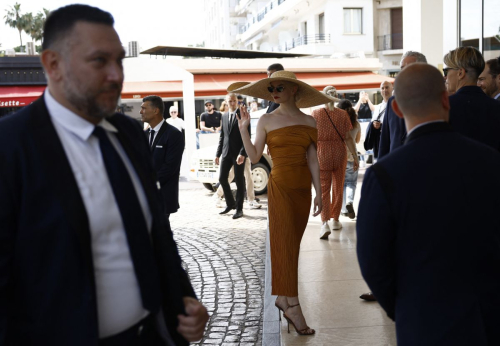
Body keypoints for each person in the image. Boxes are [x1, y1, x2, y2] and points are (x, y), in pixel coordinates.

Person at [0, 4, 208, 346]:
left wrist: (183, 297)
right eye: (100, 61)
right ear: (53, 64)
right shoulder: (10, 148)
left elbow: (156, 231)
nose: (116, 75)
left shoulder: (129, 133)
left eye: (119, 60)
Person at [357, 63, 500, 345]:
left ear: (396, 110)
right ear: (446, 100)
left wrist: (405, 308)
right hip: (490, 318)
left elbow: (373, 262)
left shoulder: (384, 175)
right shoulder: (491, 161)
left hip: (423, 321)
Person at [229, 70, 333, 335]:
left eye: (279, 87)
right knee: (284, 244)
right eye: (271, 88)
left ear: (294, 90)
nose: (274, 91)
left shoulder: (310, 122)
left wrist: (320, 193)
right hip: (281, 188)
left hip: (302, 190)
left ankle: (283, 299)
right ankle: (293, 306)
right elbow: (254, 157)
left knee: (292, 246)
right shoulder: (265, 119)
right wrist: (243, 130)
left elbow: (312, 159)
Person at [360, 50, 428, 302]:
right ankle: (386, 287)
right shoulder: (391, 103)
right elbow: (387, 140)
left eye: (407, 67)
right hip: (396, 175)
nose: (401, 72)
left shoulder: (435, 97)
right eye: (400, 67)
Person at [312, 86, 358, 238]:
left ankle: (324, 222)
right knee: (338, 187)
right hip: (339, 151)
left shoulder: (316, 113)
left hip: (322, 152)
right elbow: (348, 138)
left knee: (324, 189)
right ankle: (336, 220)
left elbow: (311, 137)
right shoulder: (343, 114)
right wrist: (355, 156)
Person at [444, 46, 500, 151]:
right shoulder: (496, 107)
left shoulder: (445, 107)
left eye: (446, 71)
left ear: (460, 73)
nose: (445, 77)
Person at [141, 96, 184, 221]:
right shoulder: (144, 134)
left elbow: (170, 167)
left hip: (163, 196)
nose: (140, 111)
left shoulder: (174, 134)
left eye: (144, 108)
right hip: (144, 196)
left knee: (160, 234)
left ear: (156, 110)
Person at [378, 51, 427, 159]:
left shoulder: (433, 100)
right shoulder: (392, 102)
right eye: (402, 68)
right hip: (394, 167)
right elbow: (385, 142)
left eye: (408, 68)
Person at [215, 93, 249, 219]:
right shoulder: (223, 116)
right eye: (230, 101)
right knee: (222, 178)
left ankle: (239, 209)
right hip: (225, 153)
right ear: (226, 102)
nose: (233, 103)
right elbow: (222, 136)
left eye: (235, 101)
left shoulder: (243, 115)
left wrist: (242, 153)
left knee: (240, 180)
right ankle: (230, 203)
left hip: (238, 154)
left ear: (237, 102)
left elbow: (247, 136)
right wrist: (217, 154)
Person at [338, 100, 361, 220]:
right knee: (351, 183)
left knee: (340, 184)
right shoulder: (356, 124)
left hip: (339, 157)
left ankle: (343, 210)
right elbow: (356, 141)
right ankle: (350, 202)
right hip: (352, 157)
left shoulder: (336, 123)